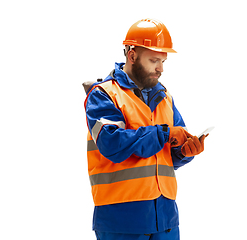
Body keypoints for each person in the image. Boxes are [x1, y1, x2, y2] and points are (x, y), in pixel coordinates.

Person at [83, 18, 207, 240]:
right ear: (132, 56)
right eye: (153, 60)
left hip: (166, 220)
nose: (160, 69)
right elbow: (113, 144)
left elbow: (166, 154)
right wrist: (165, 133)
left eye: (163, 61)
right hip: (121, 221)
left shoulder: (165, 98)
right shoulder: (104, 95)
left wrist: (183, 152)